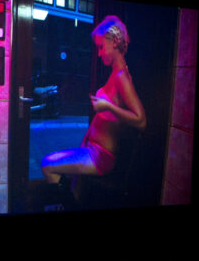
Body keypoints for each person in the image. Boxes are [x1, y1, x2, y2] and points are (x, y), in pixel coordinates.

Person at [41, 15, 146, 205]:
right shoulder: (114, 74)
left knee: (48, 164)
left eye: (100, 46)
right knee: (66, 180)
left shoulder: (122, 76)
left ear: (114, 42)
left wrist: (108, 106)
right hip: (91, 148)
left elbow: (141, 120)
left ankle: (65, 206)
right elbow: (101, 119)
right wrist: (84, 142)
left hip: (101, 157)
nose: (98, 53)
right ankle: (67, 203)